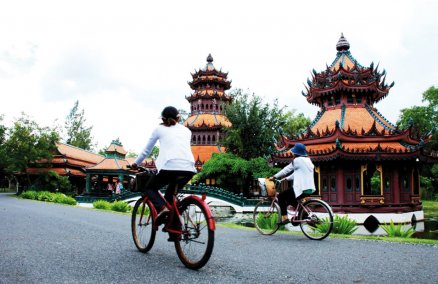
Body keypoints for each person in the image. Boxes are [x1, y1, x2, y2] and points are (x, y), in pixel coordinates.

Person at [131, 106, 196, 239]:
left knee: (149, 188)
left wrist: (135, 163)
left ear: (162, 119)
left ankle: (163, 209)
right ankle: (174, 230)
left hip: (169, 166)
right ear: (178, 118)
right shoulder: (187, 130)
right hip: (189, 168)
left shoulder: (159, 129)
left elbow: (146, 151)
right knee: (170, 196)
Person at [269, 143, 316, 225]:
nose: (293, 154)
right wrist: (285, 179)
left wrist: (274, 176)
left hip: (301, 188)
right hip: (310, 188)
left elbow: (286, 169)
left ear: (296, 153)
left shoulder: (297, 160)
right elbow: (296, 174)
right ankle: (303, 215)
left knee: (281, 196)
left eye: (294, 152)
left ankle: (284, 218)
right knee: (293, 200)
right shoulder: (308, 160)